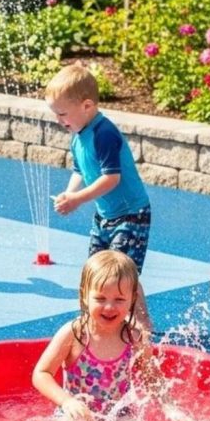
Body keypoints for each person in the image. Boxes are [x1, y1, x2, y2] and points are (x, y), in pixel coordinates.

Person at [45, 63, 151, 328]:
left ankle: (141, 322)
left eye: (62, 114)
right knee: (95, 271)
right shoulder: (78, 135)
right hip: (105, 216)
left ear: (87, 106)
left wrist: (78, 199)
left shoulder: (104, 134)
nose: (60, 121)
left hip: (130, 214)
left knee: (119, 275)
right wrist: (68, 194)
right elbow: (80, 170)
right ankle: (99, 324)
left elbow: (111, 178)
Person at [32, 251, 151, 421]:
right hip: (77, 414)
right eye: (100, 299)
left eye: (119, 299)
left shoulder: (134, 337)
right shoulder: (75, 334)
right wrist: (66, 401)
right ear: (84, 296)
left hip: (118, 415)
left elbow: (151, 377)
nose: (109, 307)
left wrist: (169, 406)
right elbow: (41, 374)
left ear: (132, 299)